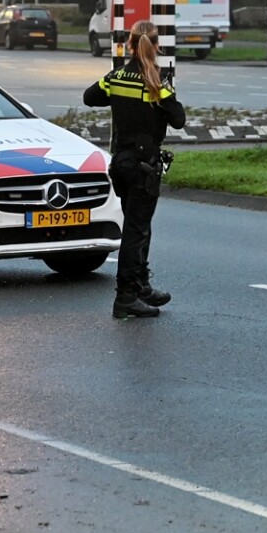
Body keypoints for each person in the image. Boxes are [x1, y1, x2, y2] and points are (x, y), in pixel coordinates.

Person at [82, 21, 186, 319]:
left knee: (138, 227)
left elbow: (90, 97)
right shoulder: (155, 84)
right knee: (136, 231)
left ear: (130, 45)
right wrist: (164, 94)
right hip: (143, 167)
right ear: (155, 46)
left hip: (121, 164)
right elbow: (178, 119)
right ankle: (126, 296)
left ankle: (141, 285)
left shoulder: (116, 77)